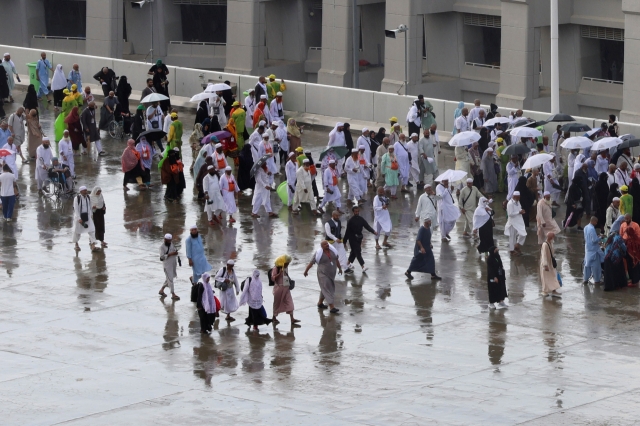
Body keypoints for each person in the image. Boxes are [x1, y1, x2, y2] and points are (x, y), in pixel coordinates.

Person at [304, 241, 343, 314]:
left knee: (324, 288)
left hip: (331, 274)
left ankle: (320, 303)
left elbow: (336, 260)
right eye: (325, 244)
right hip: (322, 274)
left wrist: (340, 269)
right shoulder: (319, 253)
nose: (327, 245)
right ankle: (332, 307)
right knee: (328, 289)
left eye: (327, 244)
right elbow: (311, 262)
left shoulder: (333, 251)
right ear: (321, 246)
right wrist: (306, 271)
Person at [343, 205, 376, 273]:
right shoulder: (350, 221)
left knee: (354, 252)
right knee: (358, 252)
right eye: (355, 211)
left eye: (358, 211)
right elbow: (347, 231)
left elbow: (367, 226)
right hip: (352, 238)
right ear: (353, 212)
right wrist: (344, 241)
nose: (357, 213)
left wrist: (373, 231)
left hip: (359, 238)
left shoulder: (361, 219)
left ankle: (347, 264)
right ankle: (363, 266)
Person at [270, 255, 299, 325]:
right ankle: (274, 317)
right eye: (287, 263)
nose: (288, 264)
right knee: (277, 304)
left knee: (290, 302)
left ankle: (292, 318)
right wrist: (279, 273)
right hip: (279, 289)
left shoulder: (285, 268)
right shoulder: (276, 268)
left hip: (286, 288)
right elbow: (273, 278)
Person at [72, 186, 98, 252]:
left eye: (86, 190)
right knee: (77, 232)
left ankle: (93, 245)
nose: (86, 191)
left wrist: (92, 212)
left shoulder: (88, 197)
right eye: (84, 190)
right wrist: (79, 218)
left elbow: (89, 207)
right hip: (79, 218)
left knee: (92, 230)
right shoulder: (77, 198)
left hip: (87, 217)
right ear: (81, 192)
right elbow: (76, 209)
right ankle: (76, 244)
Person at [436, 177, 460, 242]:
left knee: (453, 219)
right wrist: (446, 189)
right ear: (442, 181)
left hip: (449, 206)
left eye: (447, 181)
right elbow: (441, 196)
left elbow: (448, 195)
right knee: (443, 221)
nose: (447, 182)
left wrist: (451, 190)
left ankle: (446, 232)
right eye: (445, 181)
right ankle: (443, 236)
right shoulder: (438, 187)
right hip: (442, 207)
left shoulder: (447, 186)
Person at [583, 216, 604, 285]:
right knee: (596, 267)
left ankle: (585, 279)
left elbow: (588, 238)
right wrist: (600, 237)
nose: (596, 223)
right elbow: (594, 240)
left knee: (587, 265)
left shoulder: (586, 227)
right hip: (594, 250)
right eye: (596, 222)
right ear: (594, 221)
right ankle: (597, 280)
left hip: (588, 249)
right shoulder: (592, 228)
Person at [505, 191, 527, 256]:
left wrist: (521, 211)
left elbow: (519, 209)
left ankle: (517, 245)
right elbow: (510, 214)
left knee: (523, 234)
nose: (518, 199)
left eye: (519, 197)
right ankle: (511, 250)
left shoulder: (518, 202)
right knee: (512, 236)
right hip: (512, 222)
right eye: (517, 198)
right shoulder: (510, 204)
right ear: (514, 197)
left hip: (518, 221)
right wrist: (518, 212)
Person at [540, 232, 562, 297]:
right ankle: (544, 291)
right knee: (545, 278)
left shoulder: (551, 243)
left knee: (553, 277)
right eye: (553, 236)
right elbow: (544, 255)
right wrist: (545, 265)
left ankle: (554, 290)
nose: (554, 237)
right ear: (551, 237)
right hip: (546, 264)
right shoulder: (545, 245)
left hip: (550, 264)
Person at [620, 214, 640, 285]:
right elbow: (621, 235)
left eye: (627, 219)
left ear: (631, 218)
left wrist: (631, 240)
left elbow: (638, 236)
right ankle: (630, 279)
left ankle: (636, 280)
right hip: (626, 247)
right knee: (627, 264)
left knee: (635, 264)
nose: (626, 220)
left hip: (634, 248)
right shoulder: (622, 225)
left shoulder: (636, 225)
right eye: (625, 219)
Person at [158, 233, 180, 300]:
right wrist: (170, 254)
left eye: (170, 240)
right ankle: (173, 294)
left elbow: (174, 250)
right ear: (165, 239)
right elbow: (161, 258)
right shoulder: (162, 247)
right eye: (168, 240)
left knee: (169, 278)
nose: (169, 242)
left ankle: (161, 290)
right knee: (170, 280)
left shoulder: (171, 244)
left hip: (173, 264)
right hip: (167, 266)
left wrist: (175, 252)